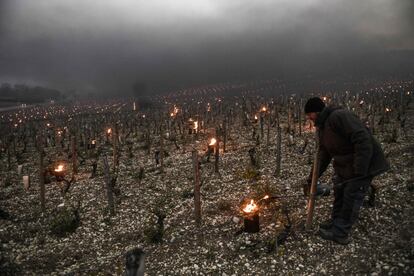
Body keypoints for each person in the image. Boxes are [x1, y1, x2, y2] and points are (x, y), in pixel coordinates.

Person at [304, 97, 389, 245]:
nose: (308, 118)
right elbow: (323, 155)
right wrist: (313, 178)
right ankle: (336, 222)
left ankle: (340, 233)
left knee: (352, 197)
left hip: (364, 164)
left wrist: (360, 169)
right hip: (345, 166)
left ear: (316, 111)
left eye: (309, 114)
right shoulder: (323, 127)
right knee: (340, 193)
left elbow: (362, 139)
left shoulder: (340, 116)